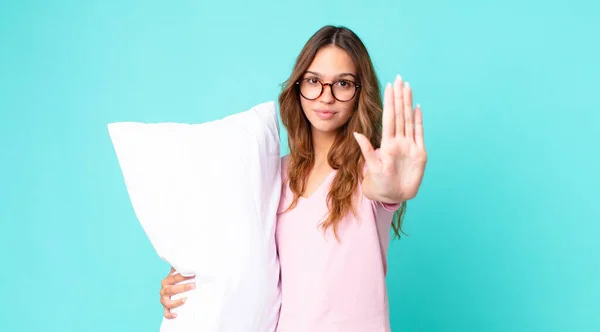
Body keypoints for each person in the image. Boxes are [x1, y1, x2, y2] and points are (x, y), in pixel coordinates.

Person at [158, 25, 427, 331]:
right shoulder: (272, 176)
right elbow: (230, 250)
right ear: (298, 87)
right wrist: (181, 281)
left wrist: (392, 191)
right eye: (314, 81)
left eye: (343, 83)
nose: (326, 97)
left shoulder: (372, 171)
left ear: (359, 93)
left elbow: (383, 190)